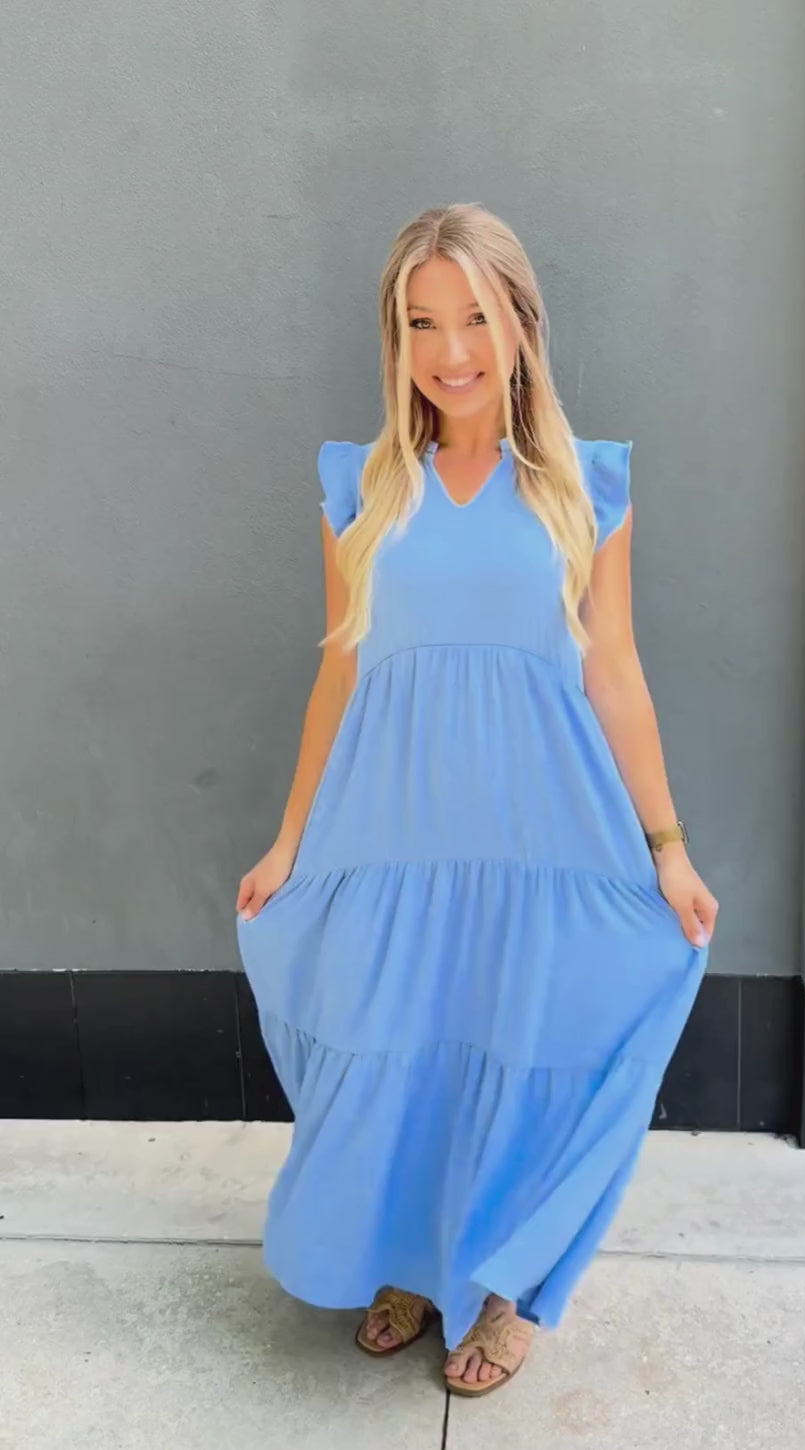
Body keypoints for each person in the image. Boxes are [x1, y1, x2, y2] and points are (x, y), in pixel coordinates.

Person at [235, 201, 718, 1399]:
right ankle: (408, 1256)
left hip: (539, 834)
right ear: (394, 341)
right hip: (393, 835)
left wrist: (667, 846)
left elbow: (615, 673)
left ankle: (501, 1286)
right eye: (421, 323)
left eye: (475, 318)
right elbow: (340, 666)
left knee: (519, 1042)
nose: (451, 350)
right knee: (400, 1044)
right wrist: (292, 838)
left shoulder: (583, 488)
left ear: (520, 326)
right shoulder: (361, 488)